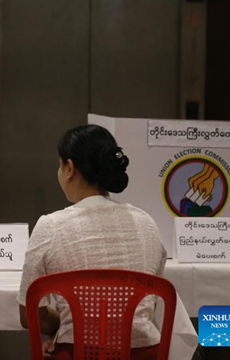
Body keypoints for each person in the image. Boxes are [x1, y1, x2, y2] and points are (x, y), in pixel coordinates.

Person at [17, 125, 167, 360]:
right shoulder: (146, 223)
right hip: (145, 354)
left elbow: (31, 317)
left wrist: (68, 327)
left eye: (59, 165)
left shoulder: (50, 226)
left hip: (77, 354)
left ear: (69, 168)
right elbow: (148, 305)